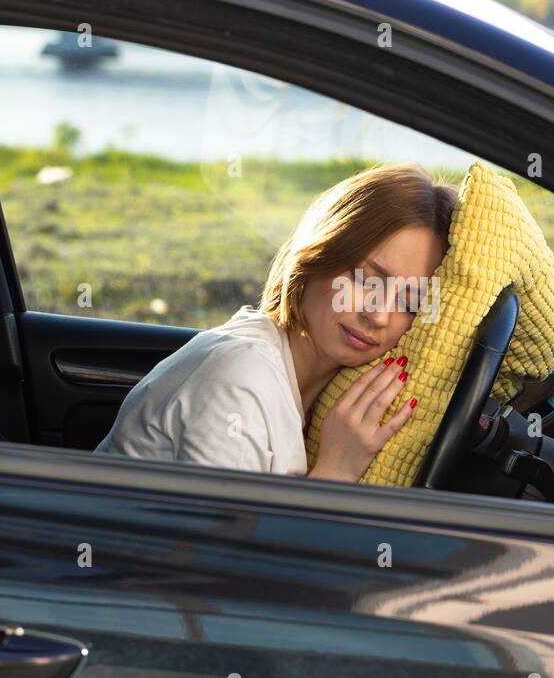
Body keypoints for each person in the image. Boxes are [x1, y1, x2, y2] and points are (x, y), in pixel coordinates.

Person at [95, 163, 457, 482]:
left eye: (409, 302)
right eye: (365, 279)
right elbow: (223, 557)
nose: (377, 315)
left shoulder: (316, 396)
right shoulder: (240, 378)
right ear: (319, 252)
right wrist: (336, 472)